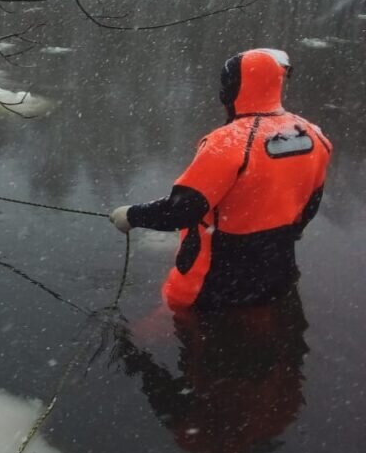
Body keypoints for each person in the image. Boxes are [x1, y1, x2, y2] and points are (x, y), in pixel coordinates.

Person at [109, 48, 331, 309]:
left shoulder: (228, 143)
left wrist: (131, 216)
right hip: (277, 268)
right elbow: (310, 207)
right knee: (266, 328)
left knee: (180, 326)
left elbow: (181, 211)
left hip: (216, 277)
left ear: (232, 89)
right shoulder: (312, 135)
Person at [113, 287, 308, 453]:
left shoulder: (271, 424)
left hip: (245, 313)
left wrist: (131, 343)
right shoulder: (275, 420)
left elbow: (157, 384)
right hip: (264, 304)